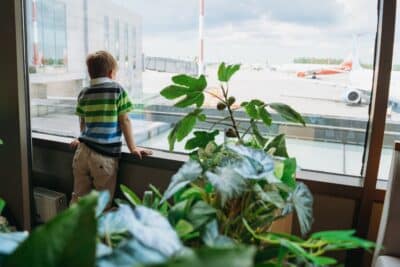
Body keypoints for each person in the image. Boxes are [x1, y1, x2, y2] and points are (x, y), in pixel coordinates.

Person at [69, 50, 152, 206]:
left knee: (79, 198)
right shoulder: (116, 90)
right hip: (104, 156)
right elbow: (125, 120)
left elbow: (83, 121)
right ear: (111, 73)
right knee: (102, 203)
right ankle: (100, 230)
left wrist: (81, 138)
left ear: (90, 73)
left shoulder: (84, 93)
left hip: (82, 153)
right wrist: (133, 148)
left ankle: (76, 227)